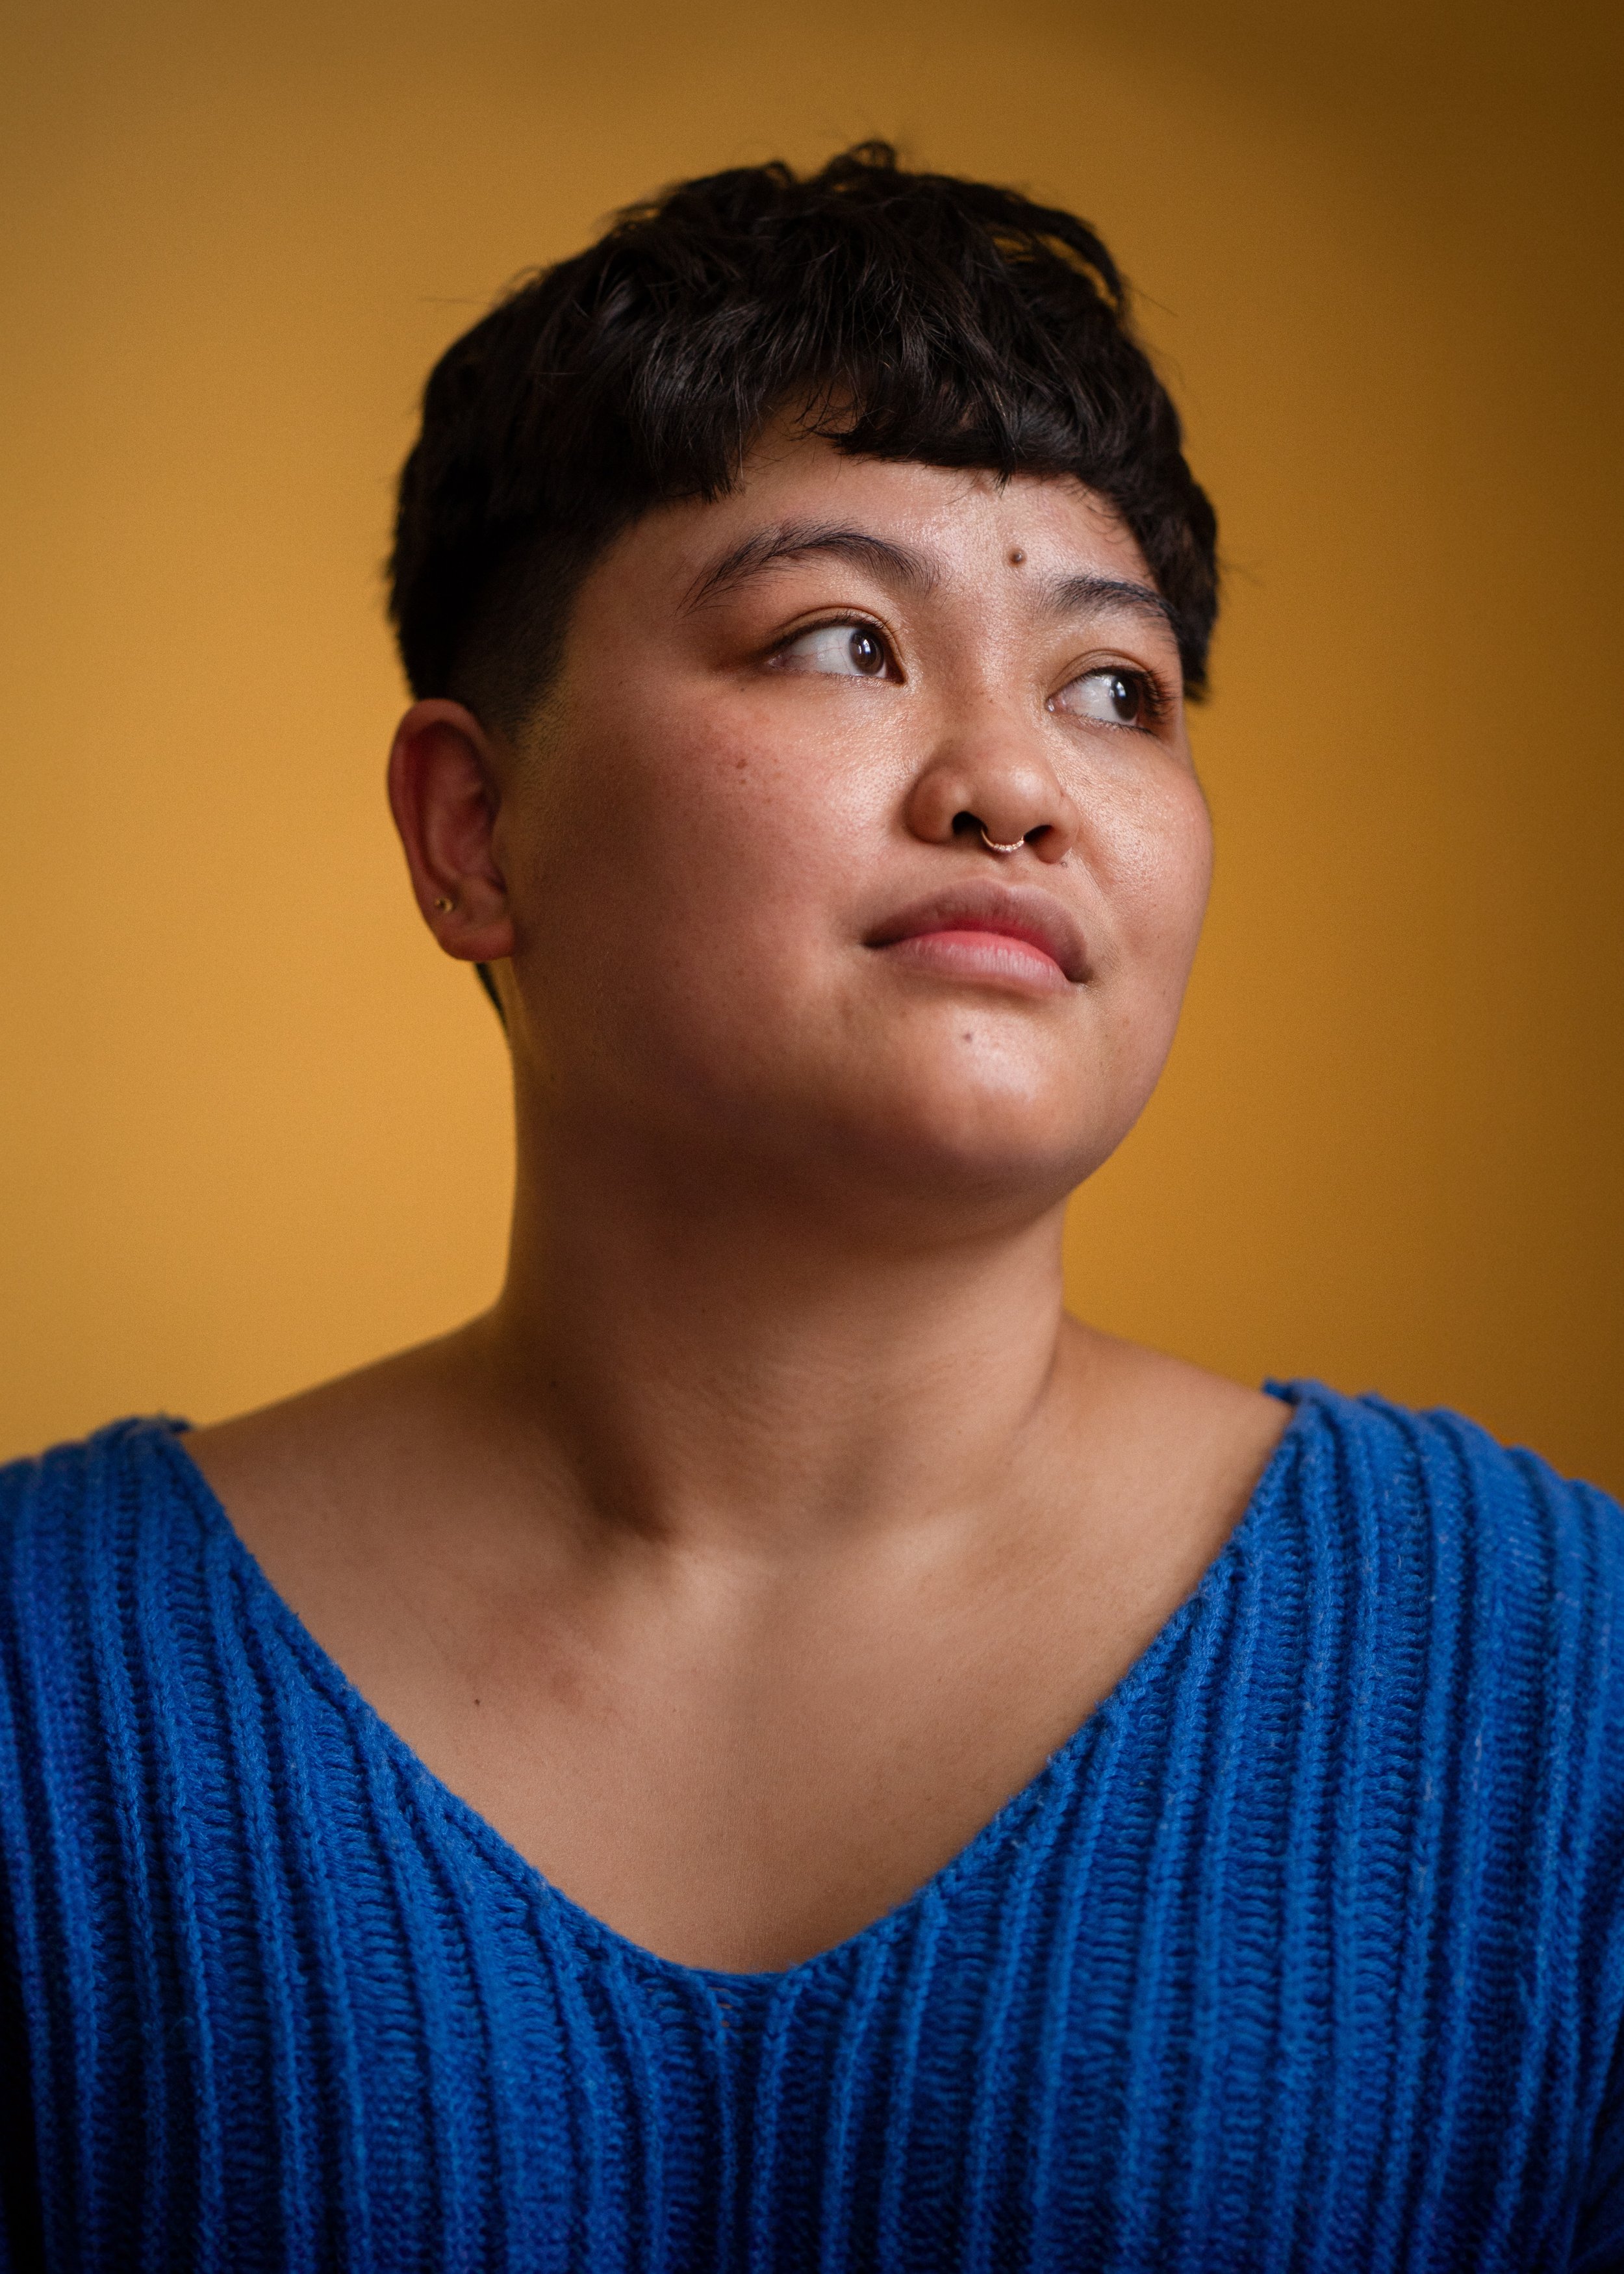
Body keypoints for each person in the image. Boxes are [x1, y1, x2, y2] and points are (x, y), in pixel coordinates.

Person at [1, 144, 1620, 2273]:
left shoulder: (1559, 1683)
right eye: (841, 640)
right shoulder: (44, 1688)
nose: (1011, 782)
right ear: (473, 829)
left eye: (1110, 686)